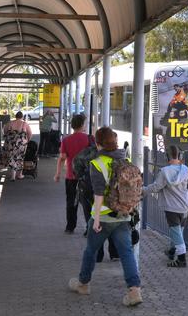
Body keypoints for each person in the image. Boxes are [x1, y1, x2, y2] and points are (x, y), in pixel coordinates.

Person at [68, 127, 142, 307]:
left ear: (98, 143)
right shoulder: (126, 160)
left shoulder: (97, 163)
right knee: (126, 254)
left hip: (104, 217)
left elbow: (99, 195)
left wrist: (97, 221)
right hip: (123, 216)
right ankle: (134, 291)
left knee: (90, 251)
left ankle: (83, 284)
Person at [72, 134, 119, 262]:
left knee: (93, 221)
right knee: (111, 221)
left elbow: (75, 164)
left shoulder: (87, 152)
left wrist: (81, 177)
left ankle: (98, 254)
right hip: (111, 195)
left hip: (88, 191)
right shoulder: (117, 155)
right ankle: (114, 252)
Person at [142, 145, 188, 267]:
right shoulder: (185, 169)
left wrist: (143, 190)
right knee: (179, 231)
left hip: (171, 207)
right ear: (179, 156)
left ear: (166, 156)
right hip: (184, 205)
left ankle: (181, 259)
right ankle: (172, 251)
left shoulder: (164, 172)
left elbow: (156, 187)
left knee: (175, 231)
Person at [55, 114, 90, 234]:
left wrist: (58, 174)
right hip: (87, 177)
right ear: (82, 124)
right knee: (88, 203)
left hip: (71, 176)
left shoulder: (66, 140)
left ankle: (70, 227)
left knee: (71, 202)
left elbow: (62, 158)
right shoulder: (90, 139)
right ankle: (88, 228)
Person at [2, 111, 32, 181]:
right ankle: (19, 175)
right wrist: (27, 140)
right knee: (20, 158)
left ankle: (13, 176)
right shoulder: (25, 124)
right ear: (22, 116)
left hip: (11, 144)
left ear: (15, 116)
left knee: (12, 158)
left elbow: (5, 131)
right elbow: (30, 134)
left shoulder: (9, 123)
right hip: (21, 144)